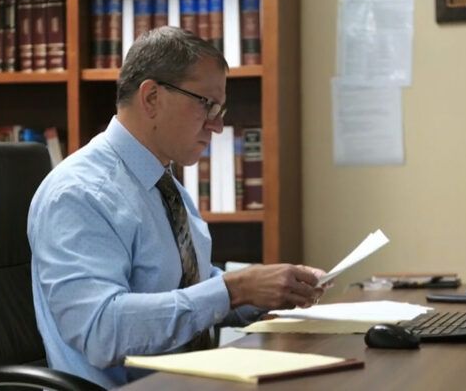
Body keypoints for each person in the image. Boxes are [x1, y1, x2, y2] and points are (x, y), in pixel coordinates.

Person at [28, 26, 325, 388]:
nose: (217, 125)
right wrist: (234, 289)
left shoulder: (164, 184)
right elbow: (100, 330)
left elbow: (183, 285)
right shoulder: (80, 193)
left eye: (221, 108)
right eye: (207, 105)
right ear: (152, 97)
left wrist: (270, 289)